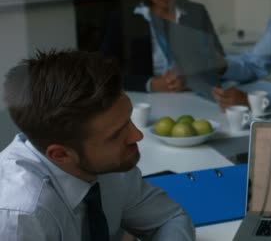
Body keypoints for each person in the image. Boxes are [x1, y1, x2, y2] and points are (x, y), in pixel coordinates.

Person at [0, 50, 195, 240]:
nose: (137, 135)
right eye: (116, 135)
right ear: (61, 154)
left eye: (128, 119)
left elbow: (170, 219)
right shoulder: (20, 217)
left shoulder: (110, 165)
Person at [102, 0, 224, 92]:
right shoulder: (124, 18)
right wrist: (150, 84)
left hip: (193, 95)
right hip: (145, 99)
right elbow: (106, 73)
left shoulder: (197, 12)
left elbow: (221, 63)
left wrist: (192, 76)